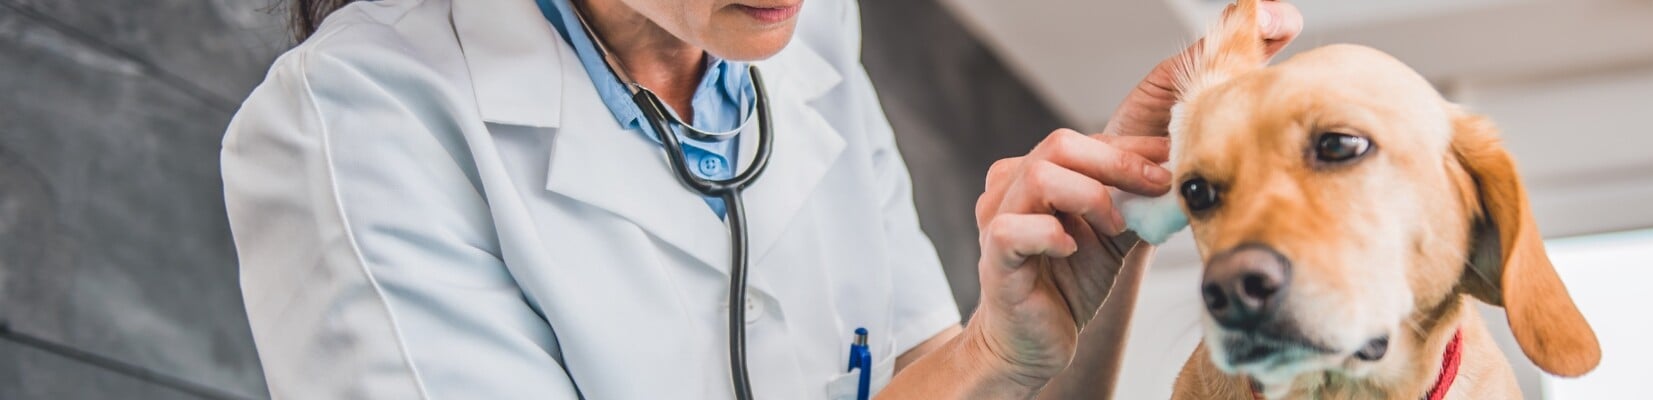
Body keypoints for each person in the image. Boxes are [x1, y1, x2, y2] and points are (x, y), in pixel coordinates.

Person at [220, 0, 1301, 398]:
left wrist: (1089, 251)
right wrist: (981, 361)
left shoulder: (805, 40)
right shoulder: (361, 118)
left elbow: (933, 376)